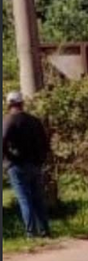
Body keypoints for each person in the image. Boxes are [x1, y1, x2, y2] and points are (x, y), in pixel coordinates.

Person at [2, 91, 52, 238]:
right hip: (34, 165)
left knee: (25, 200)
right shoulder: (34, 121)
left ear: (8, 104)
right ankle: (45, 231)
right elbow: (45, 142)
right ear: (22, 103)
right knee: (38, 199)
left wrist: (8, 160)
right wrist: (40, 160)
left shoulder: (7, 121)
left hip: (16, 166)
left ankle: (31, 233)